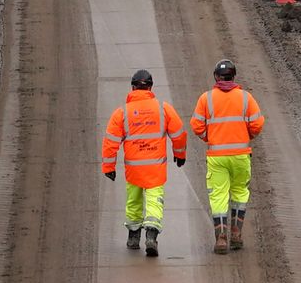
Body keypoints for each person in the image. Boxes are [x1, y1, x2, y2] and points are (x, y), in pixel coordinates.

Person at [101, 69, 186, 257]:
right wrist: (180, 154)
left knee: (134, 201)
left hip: (134, 169)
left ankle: (133, 237)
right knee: (155, 201)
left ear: (132, 88)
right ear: (150, 87)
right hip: (156, 168)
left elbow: (110, 142)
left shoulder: (121, 113)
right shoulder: (163, 109)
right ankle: (151, 236)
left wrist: (109, 167)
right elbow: (179, 134)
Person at [190, 59, 264, 254]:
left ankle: (221, 238)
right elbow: (257, 124)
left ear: (216, 76)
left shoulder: (206, 99)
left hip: (217, 156)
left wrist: (210, 137)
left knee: (219, 195)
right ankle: (236, 235)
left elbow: (196, 125)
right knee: (240, 193)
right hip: (241, 156)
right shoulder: (246, 98)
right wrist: (246, 136)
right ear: (234, 76)